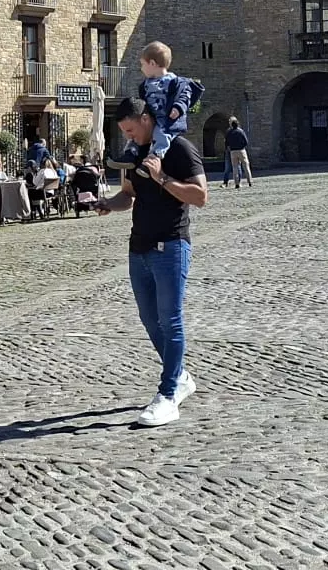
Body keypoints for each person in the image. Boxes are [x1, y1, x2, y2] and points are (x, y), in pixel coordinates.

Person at [94, 96, 208, 427]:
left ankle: (168, 394)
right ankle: (181, 376)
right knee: (149, 319)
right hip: (139, 248)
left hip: (171, 246)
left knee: (170, 320)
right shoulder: (133, 155)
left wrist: (162, 179)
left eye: (130, 130)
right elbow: (128, 195)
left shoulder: (179, 148)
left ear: (146, 119)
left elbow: (201, 196)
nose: (128, 137)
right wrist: (107, 203)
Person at [136, 41, 205, 159]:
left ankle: (156, 156)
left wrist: (178, 108)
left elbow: (185, 96)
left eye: (142, 64)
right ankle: (131, 153)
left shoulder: (175, 82)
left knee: (161, 134)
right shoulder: (145, 84)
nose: (141, 68)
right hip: (152, 118)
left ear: (152, 63)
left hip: (167, 120)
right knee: (136, 131)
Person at [223, 117, 254, 189]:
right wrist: (242, 147)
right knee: (246, 166)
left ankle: (237, 183)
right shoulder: (241, 131)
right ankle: (250, 182)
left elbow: (226, 142)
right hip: (241, 150)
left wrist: (230, 148)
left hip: (233, 151)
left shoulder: (229, 132)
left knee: (235, 168)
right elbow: (246, 141)